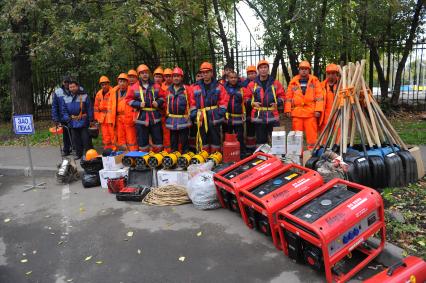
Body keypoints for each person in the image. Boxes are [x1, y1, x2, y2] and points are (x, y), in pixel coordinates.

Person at [189, 62, 228, 153]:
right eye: (203, 72)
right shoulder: (195, 87)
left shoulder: (219, 86)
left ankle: (215, 157)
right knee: (203, 137)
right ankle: (204, 156)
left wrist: (219, 114)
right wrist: (195, 114)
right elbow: (192, 102)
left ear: (211, 73)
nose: (205, 74)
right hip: (201, 116)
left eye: (207, 72)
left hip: (214, 116)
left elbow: (224, 101)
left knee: (215, 137)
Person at [285, 61, 324, 149]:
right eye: (302, 69)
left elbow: (319, 96)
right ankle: (298, 153)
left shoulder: (314, 80)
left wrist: (318, 110)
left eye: (306, 69)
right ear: (299, 70)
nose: (304, 71)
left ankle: (312, 153)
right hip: (297, 113)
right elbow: (288, 97)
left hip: (310, 113)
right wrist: (288, 110)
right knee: (297, 136)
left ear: (309, 70)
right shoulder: (293, 81)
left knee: (312, 136)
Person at [246, 60, 285, 147]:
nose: (263, 70)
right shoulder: (252, 85)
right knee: (260, 141)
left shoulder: (275, 83)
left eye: (265, 67)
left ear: (268, 69)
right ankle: (262, 158)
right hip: (259, 117)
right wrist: (253, 103)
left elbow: (282, 96)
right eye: (261, 68)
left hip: (273, 116)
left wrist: (278, 103)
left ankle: (276, 157)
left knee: (276, 140)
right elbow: (246, 98)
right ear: (258, 70)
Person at [126, 64, 165, 152]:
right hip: (141, 117)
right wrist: (138, 104)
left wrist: (158, 103)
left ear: (149, 74)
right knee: (143, 142)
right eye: (142, 73)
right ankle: (145, 159)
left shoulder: (156, 86)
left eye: (146, 73)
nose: (145, 75)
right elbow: (128, 99)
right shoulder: (134, 87)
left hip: (155, 117)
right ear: (139, 75)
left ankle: (157, 158)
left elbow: (163, 97)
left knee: (158, 140)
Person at [61, 80, 93, 159]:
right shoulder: (66, 98)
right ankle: (78, 154)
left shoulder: (84, 96)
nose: (72, 88)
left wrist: (91, 119)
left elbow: (89, 108)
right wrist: (67, 118)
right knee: (76, 140)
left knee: (86, 139)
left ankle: (89, 155)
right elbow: (64, 110)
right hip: (72, 122)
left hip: (84, 121)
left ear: (77, 87)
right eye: (70, 87)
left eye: (74, 87)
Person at [165, 67, 192, 152]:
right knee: (173, 140)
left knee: (184, 140)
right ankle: (174, 156)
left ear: (182, 78)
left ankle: (185, 157)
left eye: (178, 76)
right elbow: (165, 104)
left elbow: (192, 103)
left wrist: (190, 116)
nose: (176, 78)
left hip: (184, 119)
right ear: (172, 78)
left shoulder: (187, 89)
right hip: (172, 120)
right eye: (174, 76)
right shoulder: (168, 90)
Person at [110, 73, 138, 151]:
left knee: (131, 138)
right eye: (120, 81)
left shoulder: (132, 91)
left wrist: (135, 117)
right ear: (118, 82)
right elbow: (111, 106)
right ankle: (124, 156)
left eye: (124, 81)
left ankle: (133, 155)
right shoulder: (114, 92)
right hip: (118, 119)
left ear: (127, 82)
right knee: (121, 139)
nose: (122, 83)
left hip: (129, 118)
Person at [224, 71, 246, 157]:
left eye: (235, 77)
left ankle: (241, 154)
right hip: (227, 117)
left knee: (239, 137)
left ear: (237, 78)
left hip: (238, 118)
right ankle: (228, 154)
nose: (233, 79)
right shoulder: (224, 88)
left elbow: (247, 99)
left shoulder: (242, 88)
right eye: (231, 77)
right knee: (227, 136)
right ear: (228, 78)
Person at [52, 76, 73, 156]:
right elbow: (55, 106)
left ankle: (74, 148)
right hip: (63, 117)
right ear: (63, 83)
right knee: (66, 134)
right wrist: (55, 118)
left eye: (68, 82)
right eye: (65, 82)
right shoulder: (58, 92)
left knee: (74, 133)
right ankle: (66, 150)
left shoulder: (73, 89)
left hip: (73, 116)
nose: (67, 84)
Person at [94, 76, 114, 149]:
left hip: (111, 118)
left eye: (106, 84)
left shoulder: (113, 92)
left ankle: (114, 150)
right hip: (102, 118)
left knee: (113, 135)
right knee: (105, 135)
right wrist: (97, 118)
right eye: (102, 84)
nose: (104, 86)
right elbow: (96, 107)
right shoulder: (99, 94)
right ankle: (107, 150)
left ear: (109, 84)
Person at [319, 63, 339, 133]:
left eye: (333, 73)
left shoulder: (342, 85)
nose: (331, 75)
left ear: (336, 74)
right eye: (329, 73)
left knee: (338, 133)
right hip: (325, 114)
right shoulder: (321, 86)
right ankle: (323, 144)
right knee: (324, 134)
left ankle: (338, 144)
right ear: (326, 74)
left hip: (338, 113)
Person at [242, 65, 257, 152]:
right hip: (248, 110)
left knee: (258, 129)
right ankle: (250, 148)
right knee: (250, 129)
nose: (251, 75)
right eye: (249, 73)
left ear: (256, 73)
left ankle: (259, 146)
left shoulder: (259, 82)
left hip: (259, 110)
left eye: (253, 73)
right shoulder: (244, 84)